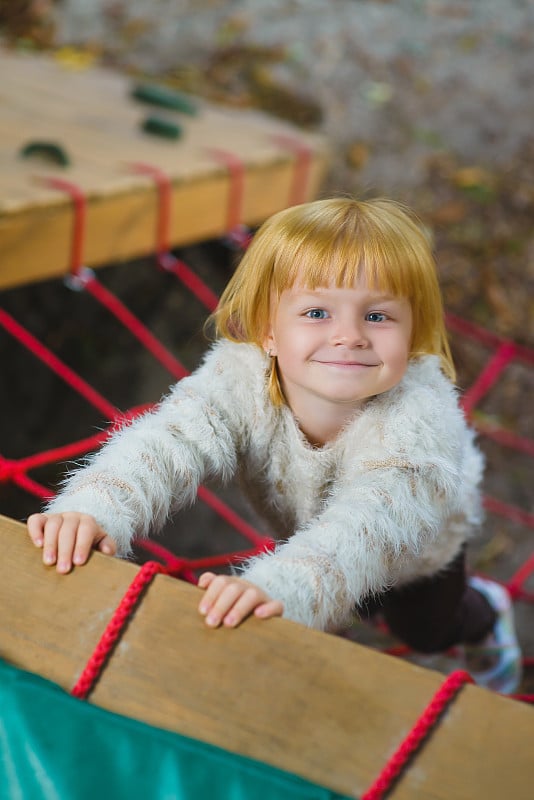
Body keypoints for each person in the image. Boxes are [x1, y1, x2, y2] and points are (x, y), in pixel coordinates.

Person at [27, 197, 521, 693]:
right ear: (267, 332)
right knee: (358, 605)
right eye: (316, 311)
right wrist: (93, 509)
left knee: (425, 630)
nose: (348, 336)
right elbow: (168, 441)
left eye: (377, 317)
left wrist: (277, 589)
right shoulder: (239, 376)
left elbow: (367, 529)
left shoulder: (419, 422)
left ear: (413, 334)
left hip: (414, 547)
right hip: (310, 529)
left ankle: (484, 615)